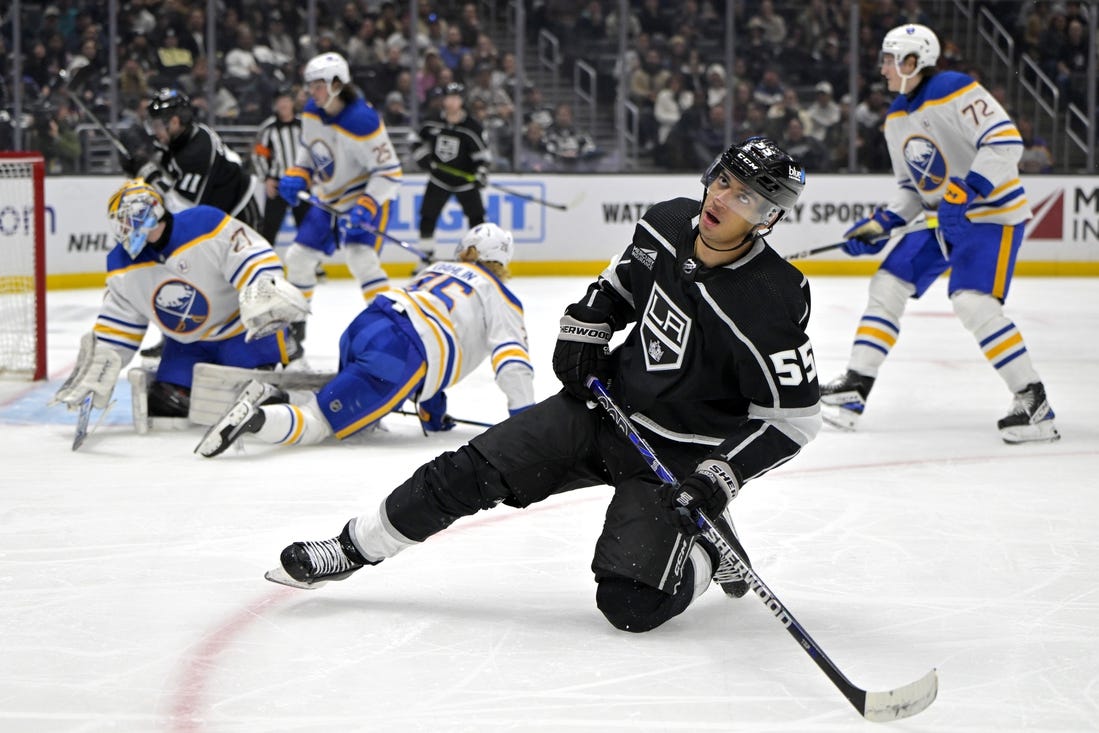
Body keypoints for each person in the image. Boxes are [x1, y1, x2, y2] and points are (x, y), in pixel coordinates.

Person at [265, 138, 822, 636]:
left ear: (766, 218)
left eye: (745, 197)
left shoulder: (771, 299)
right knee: (465, 471)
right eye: (724, 180)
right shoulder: (668, 222)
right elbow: (623, 281)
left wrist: (717, 480)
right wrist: (586, 329)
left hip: (674, 454)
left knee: (632, 606)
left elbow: (793, 420)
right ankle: (351, 547)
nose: (722, 200)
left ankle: (705, 548)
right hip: (605, 408)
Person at [820, 24, 1059, 444]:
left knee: (972, 301)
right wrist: (882, 224)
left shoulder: (954, 87)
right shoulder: (895, 117)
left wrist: (967, 190)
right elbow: (912, 189)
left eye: (892, 59)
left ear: (915, 61)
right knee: (887, 283)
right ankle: (855, 390)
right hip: (939, 221)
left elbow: (1004, 142)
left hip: (991, 216)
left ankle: (1034, 402)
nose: (884, 68)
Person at [195, 223, 534, 457]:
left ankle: (276, 395)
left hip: (369, 323)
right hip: (400, 353)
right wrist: (527, 426)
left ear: (467, 249)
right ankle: (255, 420)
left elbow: (440, 332)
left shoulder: (437, 270)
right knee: (319, 423)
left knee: (339, 400)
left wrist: (432, 411)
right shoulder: (501, 296)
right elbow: (511, 362)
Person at [51, 179, 306, 423]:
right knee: (165, 402)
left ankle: (285, 351)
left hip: (239, 333)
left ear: (151, 215)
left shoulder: (204, 223)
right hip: (188, 345)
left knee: (256, 397)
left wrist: (262, 285)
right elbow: (118, 325)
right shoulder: (122, 264)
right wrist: (101, 366)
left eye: (127, 223)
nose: (124, 232)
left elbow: (250, 255)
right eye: (120, 225)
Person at [276, 52, 404, 341]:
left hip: (365, 196)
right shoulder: (312, 110)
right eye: (310, 85)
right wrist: (300, 172)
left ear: (337, 83)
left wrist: (367, 204)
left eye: (318, 85)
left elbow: (389, 172)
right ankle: (294, 334)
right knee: (298, 258)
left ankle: (390, 331)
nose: (312, 92)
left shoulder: (363, 120)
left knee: (361, 259)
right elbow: (311, 149)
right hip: (330, 198)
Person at [411, 82, 491, 267]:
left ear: (462, 101)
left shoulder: (472, 127)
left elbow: (483, 156)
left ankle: (477, 257)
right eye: (449, 98)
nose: (452, 102)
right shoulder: (432, 121)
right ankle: (425, 257)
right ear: (444, 100)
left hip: (466, 181)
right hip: (439, 179)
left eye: (456, 98)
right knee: (428, 216)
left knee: (477, 219)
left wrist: (481, 172)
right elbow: (415, 139)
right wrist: (422, 157)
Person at [251, 87, 308, 247]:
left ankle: (312, 264)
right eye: (279, 101)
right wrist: (266, 179)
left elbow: (314, 152)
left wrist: (314, 176)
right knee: (270, 227)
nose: (283, 104)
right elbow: (258, 155)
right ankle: (266, 261)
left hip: (301, 182)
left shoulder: (304, 125)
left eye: (286, 100)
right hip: (278, 183)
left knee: (306, 226)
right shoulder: (268, 128)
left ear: (292, 103)